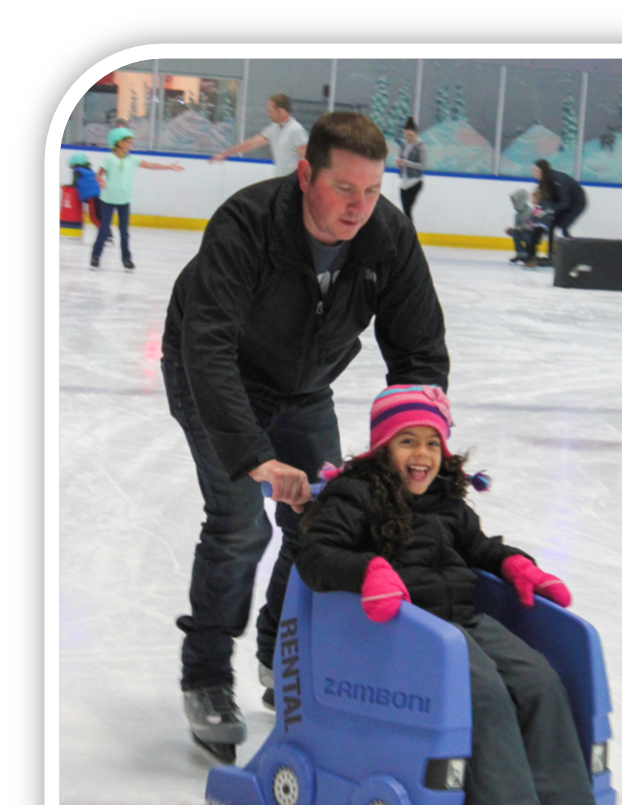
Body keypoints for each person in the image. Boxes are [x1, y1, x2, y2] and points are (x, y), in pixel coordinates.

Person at [161, 111, 450, 762]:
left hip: (302, 386)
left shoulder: (387, 237)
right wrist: (255, 458)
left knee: (324, 522)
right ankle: (206, 674)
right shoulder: (247, 224)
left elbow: (420, 352)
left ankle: (278, 651)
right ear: (304, 176)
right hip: (209, 372)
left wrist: (415, 439)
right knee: (241, 524)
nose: (359, 207)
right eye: (345, 189)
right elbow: (207, 349)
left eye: (373, 190)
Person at [294, 385, 622, 805]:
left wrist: (515, 564)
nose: (421, 455)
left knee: (539, 681)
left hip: (463, 620)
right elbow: (315, 558)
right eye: (407, 441)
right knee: (485, 696)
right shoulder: (353, 495)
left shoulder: (448, 499)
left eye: (432, 442)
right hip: (407, 632)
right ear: (383, 446)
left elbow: (477, 547)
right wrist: (368, 570)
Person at [90, 128, 184, 271]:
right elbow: (99, 175)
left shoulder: (132, 160)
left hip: (124, 201)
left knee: (124, 232)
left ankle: (126, 259)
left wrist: (169, 167)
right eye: (127, 142)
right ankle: (95, 257)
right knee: (104, 230)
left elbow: (151, 165)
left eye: (130, 142)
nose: (130, 145)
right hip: (108, 200)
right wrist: (100, 181)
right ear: (118, 143)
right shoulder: (109, 159)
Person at [209, 94, 308, 177]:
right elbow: (252, 143)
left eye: (271, 111)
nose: (268, 114)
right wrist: (226, 153)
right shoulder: (274, 129)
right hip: (281, 181)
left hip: (293, 184)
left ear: (281, 111)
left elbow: (308, 159)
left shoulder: (296, 130)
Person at [532, 159, 587, 261]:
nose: (534, 174)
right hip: (564, 202)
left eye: (536, 171)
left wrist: (550, 209)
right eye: (534, 171)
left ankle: (573, 254)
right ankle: (551, 255)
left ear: (542, 171)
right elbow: (546, 198)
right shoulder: (544, 181)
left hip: (577, 202)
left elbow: (565, 202)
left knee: (564, 226)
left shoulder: (557, 180)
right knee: (551, 225)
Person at [396, 117, 426, 222]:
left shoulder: (420, 146)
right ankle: (408, 235)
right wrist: (400, 163)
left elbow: (423, 165)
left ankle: (409, 235)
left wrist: (408, 163)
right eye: (406, 135)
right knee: (405, 212)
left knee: (407, 211)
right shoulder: (404, 145)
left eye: (411, 135)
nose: (408, 138)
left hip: (415, 182)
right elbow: (402, 158)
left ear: (416, 133)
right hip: (404, 181)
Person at [67, 152, 105, 235]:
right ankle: (106, 232)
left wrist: (67, 186)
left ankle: (105, 233)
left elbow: (74, 184)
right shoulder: (90, 171)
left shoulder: (77, 171)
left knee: (93, 216)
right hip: (100, 195)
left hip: (92, 196)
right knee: (100, 215)